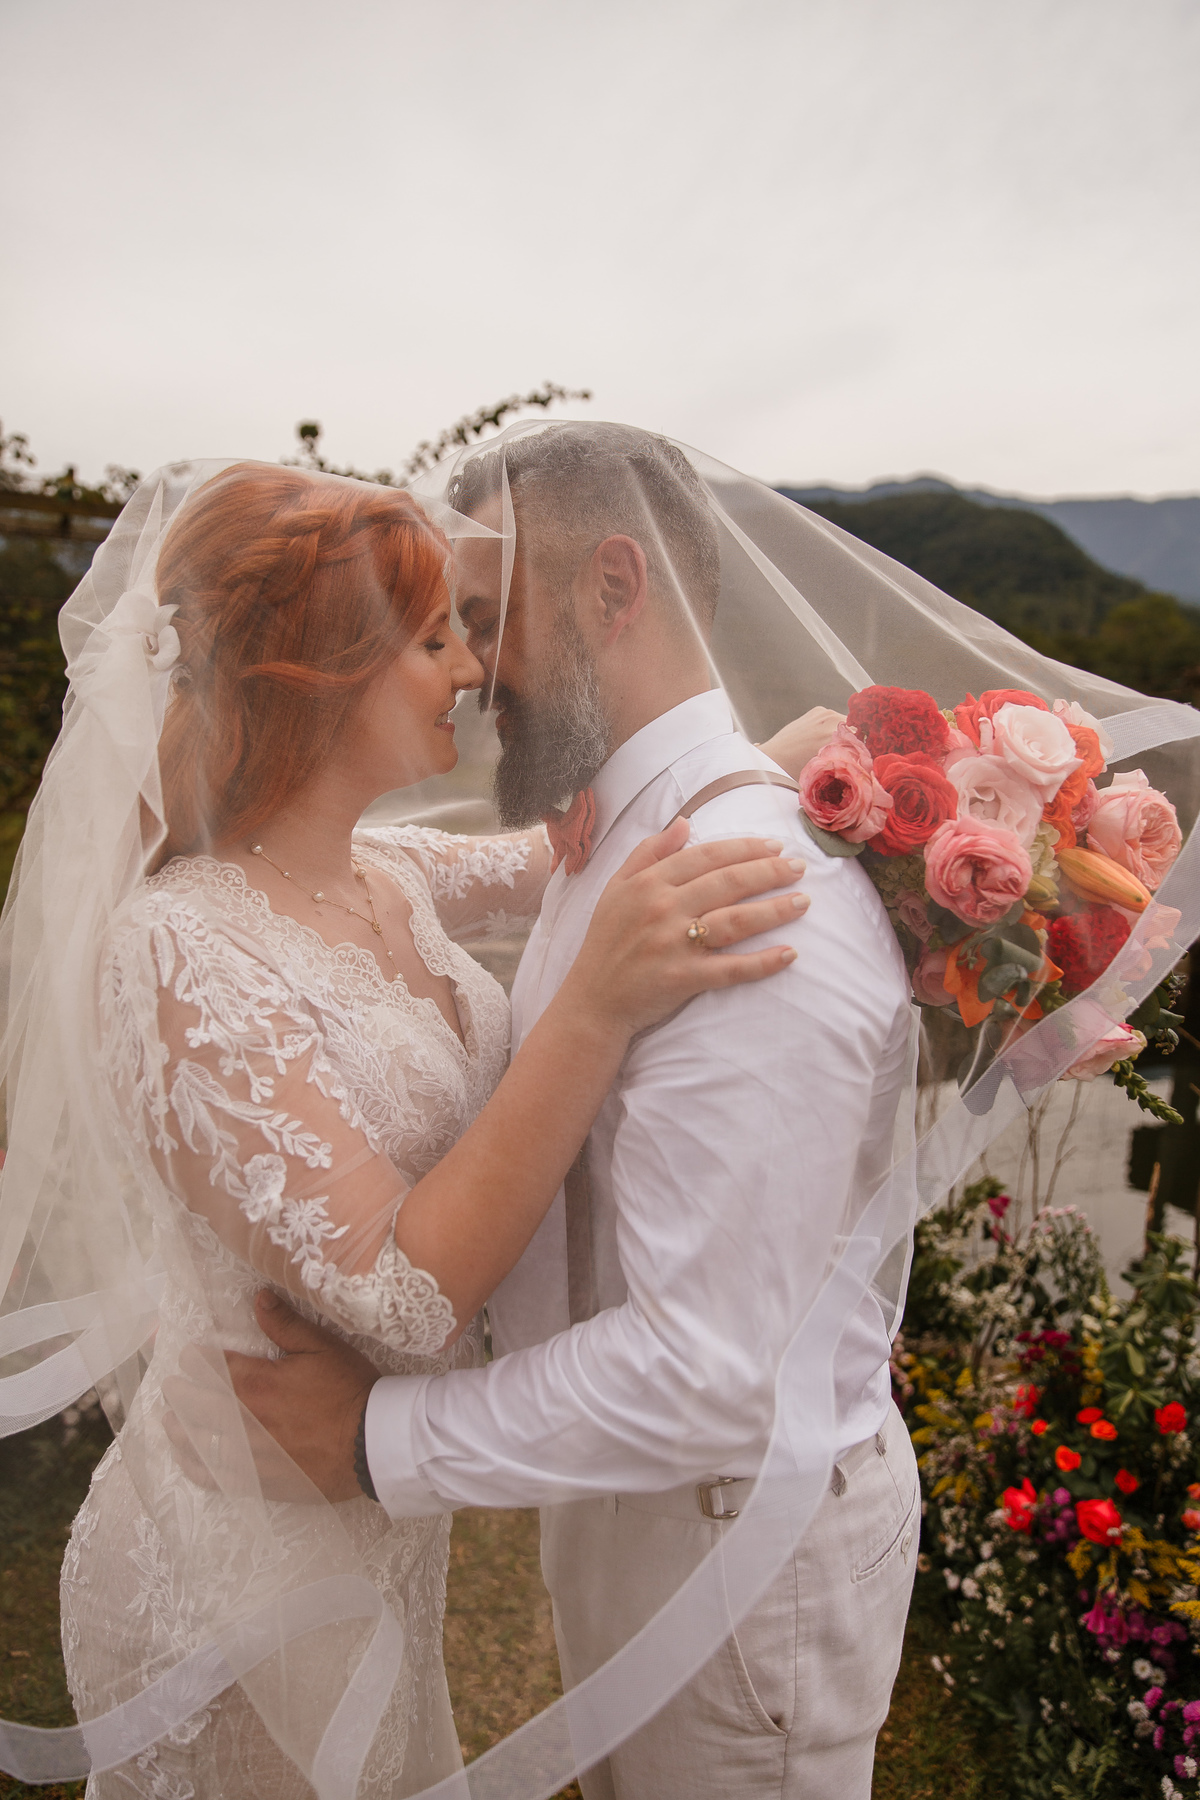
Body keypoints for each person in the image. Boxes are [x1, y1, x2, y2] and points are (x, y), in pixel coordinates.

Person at [5, 460, 807, 1800]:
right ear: (318, 673)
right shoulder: (178, 951)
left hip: (365, 1534)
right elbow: (400, 1286)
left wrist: (776, 773)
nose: (474, 670)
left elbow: (576, 851)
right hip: (242, 1576)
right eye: (436, 639)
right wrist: (593, 1005)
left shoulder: (384, 871)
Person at [219, 425, 921, 1800]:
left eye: (488, 619)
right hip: (638, 1514)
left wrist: (369, 1442)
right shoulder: (625, 839)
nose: (468, 670)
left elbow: (712, 1371)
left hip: (736, 1566)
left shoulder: (745, 898)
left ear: (613, 586)